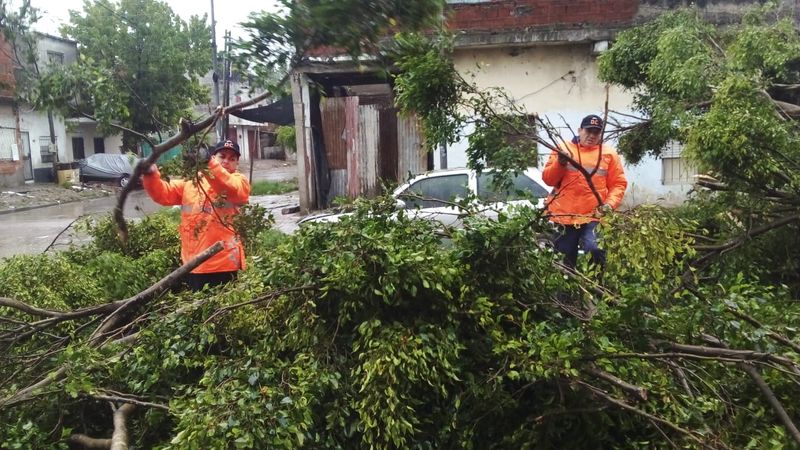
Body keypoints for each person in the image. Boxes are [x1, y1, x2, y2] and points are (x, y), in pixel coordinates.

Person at [142, 139, 251, 291]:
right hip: (194, 263)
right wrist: (151, 175)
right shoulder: (192, 182)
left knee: (222, 310)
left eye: (232, 159)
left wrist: (209, 164)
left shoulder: (240, 182)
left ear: (237, 164)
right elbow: (164, 193)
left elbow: (229, 188)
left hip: (223, 263)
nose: (226, 161)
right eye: (222, 156)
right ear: (215, 156)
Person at [542, 114, 627, 270]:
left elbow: (618, 184)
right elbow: (548, 179)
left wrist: (609, 204)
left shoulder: (608, 154)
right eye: (588, 131)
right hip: (564, 215)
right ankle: (566, 293)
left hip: (593, 215)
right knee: (564, 263)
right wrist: (560, 164)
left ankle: (596, 290)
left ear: (600, 134)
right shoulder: (563, 149)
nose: (592, 135)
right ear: (579, 130)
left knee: (595, 249)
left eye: (596, 132)